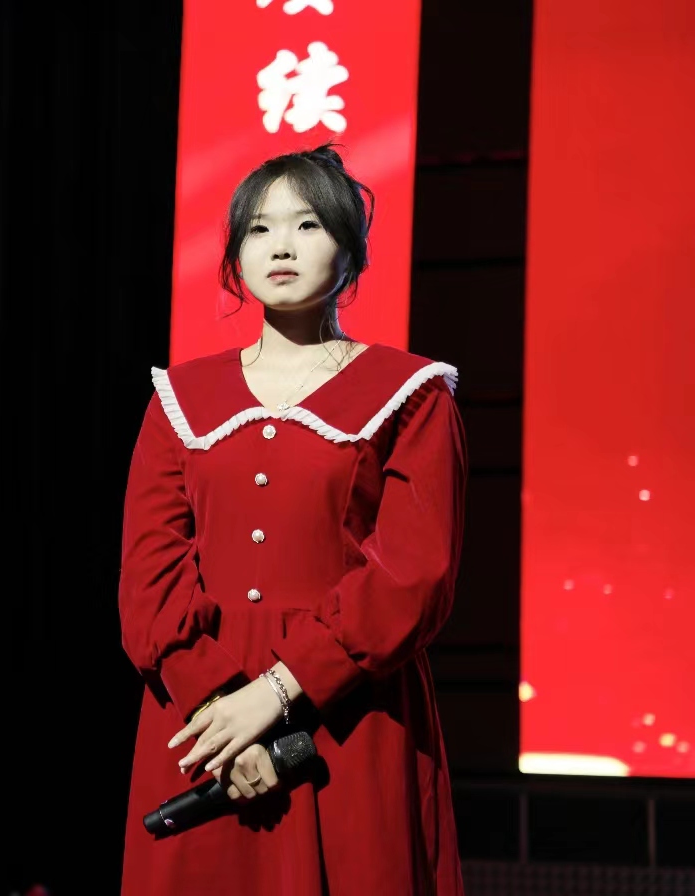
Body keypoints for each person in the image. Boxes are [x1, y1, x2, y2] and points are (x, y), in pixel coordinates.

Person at [118, 145, 466, 895]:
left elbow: (413, 575)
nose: (280, 245)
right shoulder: (180, 397)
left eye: (307, 224)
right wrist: (221, 706)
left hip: (349, 711)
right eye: (259, 228)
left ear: (351, 248)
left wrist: (277, 693)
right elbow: (149, 577)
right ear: (235, 255)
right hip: (201, 722)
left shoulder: (410, 391)